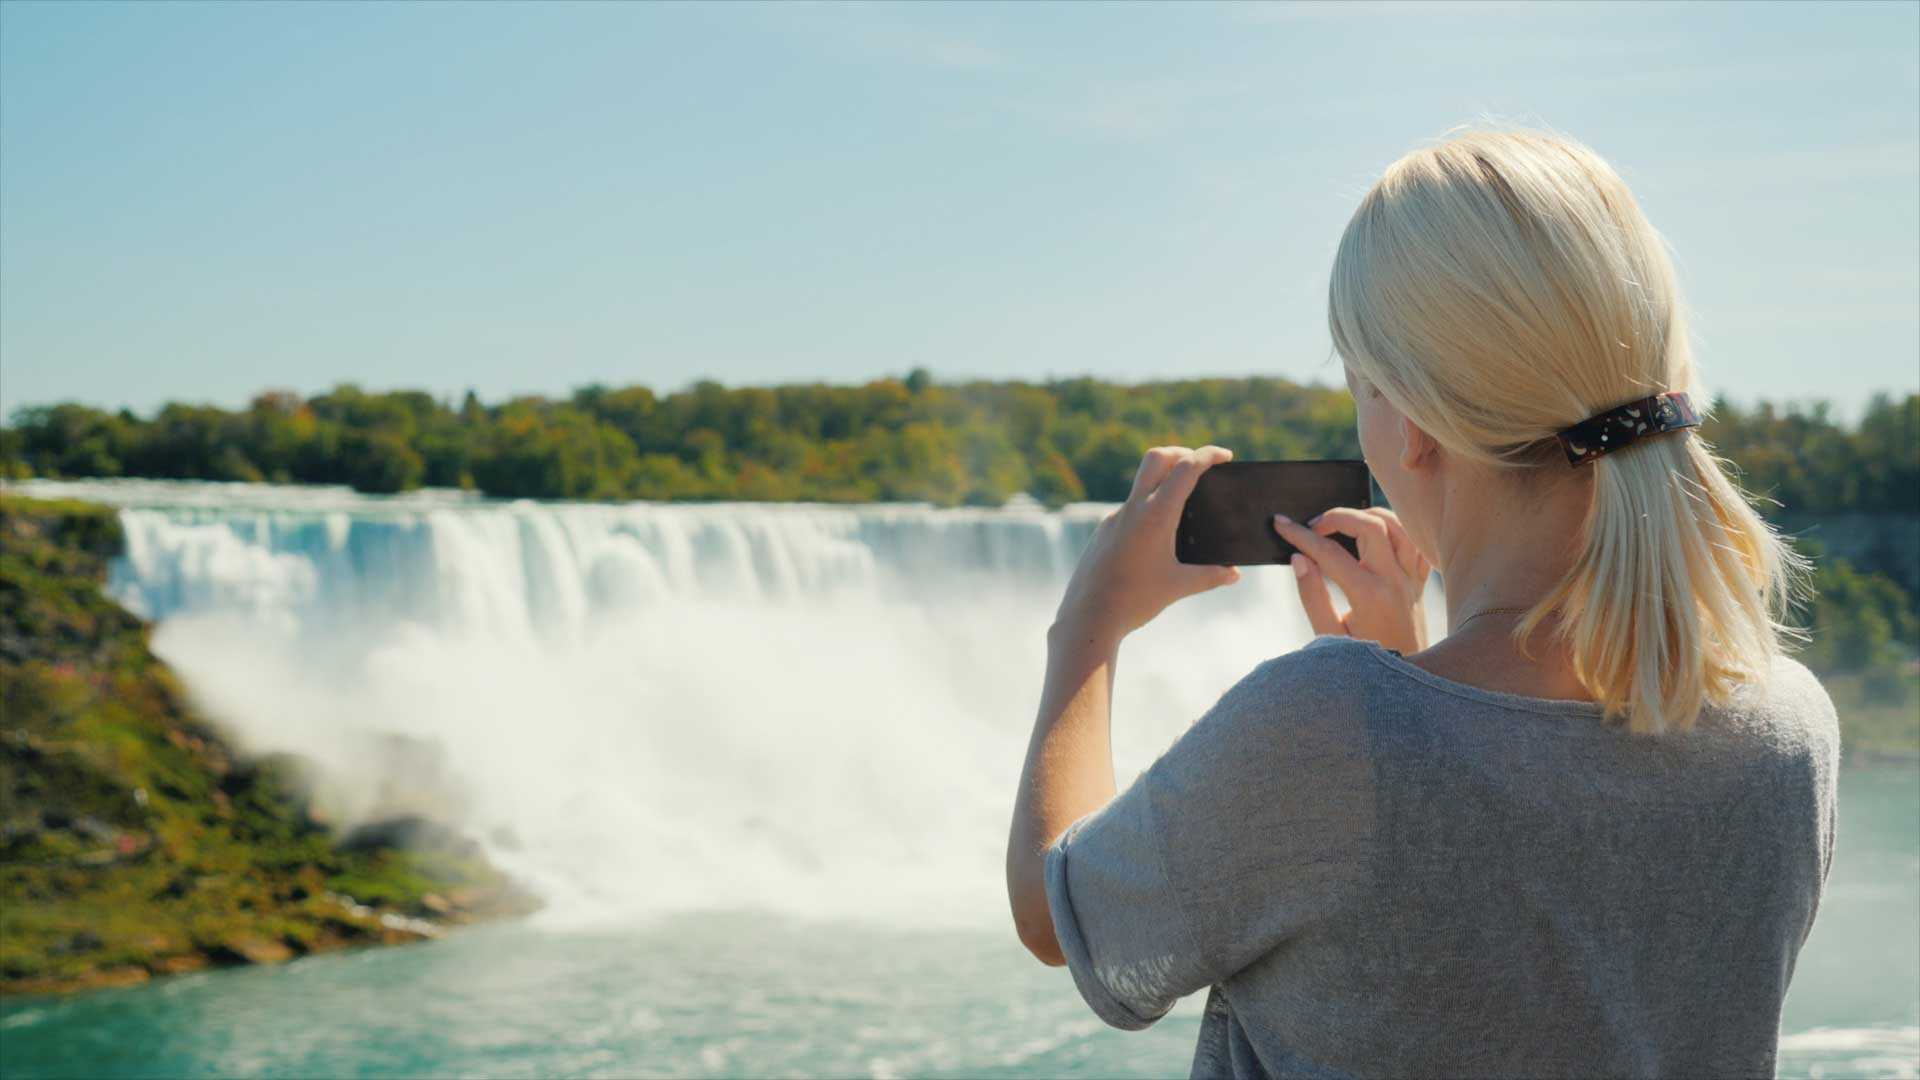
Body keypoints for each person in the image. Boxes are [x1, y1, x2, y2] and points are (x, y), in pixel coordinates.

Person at [1004, 124, 1840, 1079]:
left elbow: (1056, 916)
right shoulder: (1790, 733)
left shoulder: (1329, 726)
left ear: (1410, 423)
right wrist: (1409, 673)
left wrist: (1089, 624)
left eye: (1358, 384)